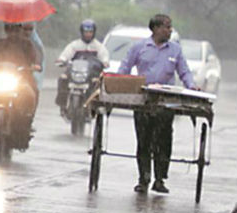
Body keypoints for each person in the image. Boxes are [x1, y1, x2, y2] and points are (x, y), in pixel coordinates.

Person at [118, 14, 199, 194]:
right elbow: (124, 69)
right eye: (166, 27)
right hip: (144, 100)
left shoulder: (175, 50)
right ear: (155, 28)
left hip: (166, 101)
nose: (169, 31)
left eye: (170, 27)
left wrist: (192, 87)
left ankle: (160, 179)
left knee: (164, 140)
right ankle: (144, 179)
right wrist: (118, 83)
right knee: (144, 140)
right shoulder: (139, 48)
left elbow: (184, 73)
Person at [0, 23, 40, 128]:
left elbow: (35, 59)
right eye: (10, 31)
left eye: (16, 31)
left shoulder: (27, 45)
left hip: (22, 78)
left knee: (33, 92)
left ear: (20, 31)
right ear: (6, 31)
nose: (13, 34)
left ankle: (28, 119)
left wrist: (35, 65)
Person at [54, 19, 109, 111]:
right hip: (74, 73)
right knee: (63, 78)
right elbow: (65, 55)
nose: (88, 34)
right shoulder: (74, 45)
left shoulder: (99, 47)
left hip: (91, 75)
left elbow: (104, 57)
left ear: (94, 32)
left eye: (90, 32)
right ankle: (62, 103)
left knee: (98, 82)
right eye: (86, 32)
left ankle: (96, 106)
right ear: (82, 32)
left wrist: (105, 62)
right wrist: (62, 60)